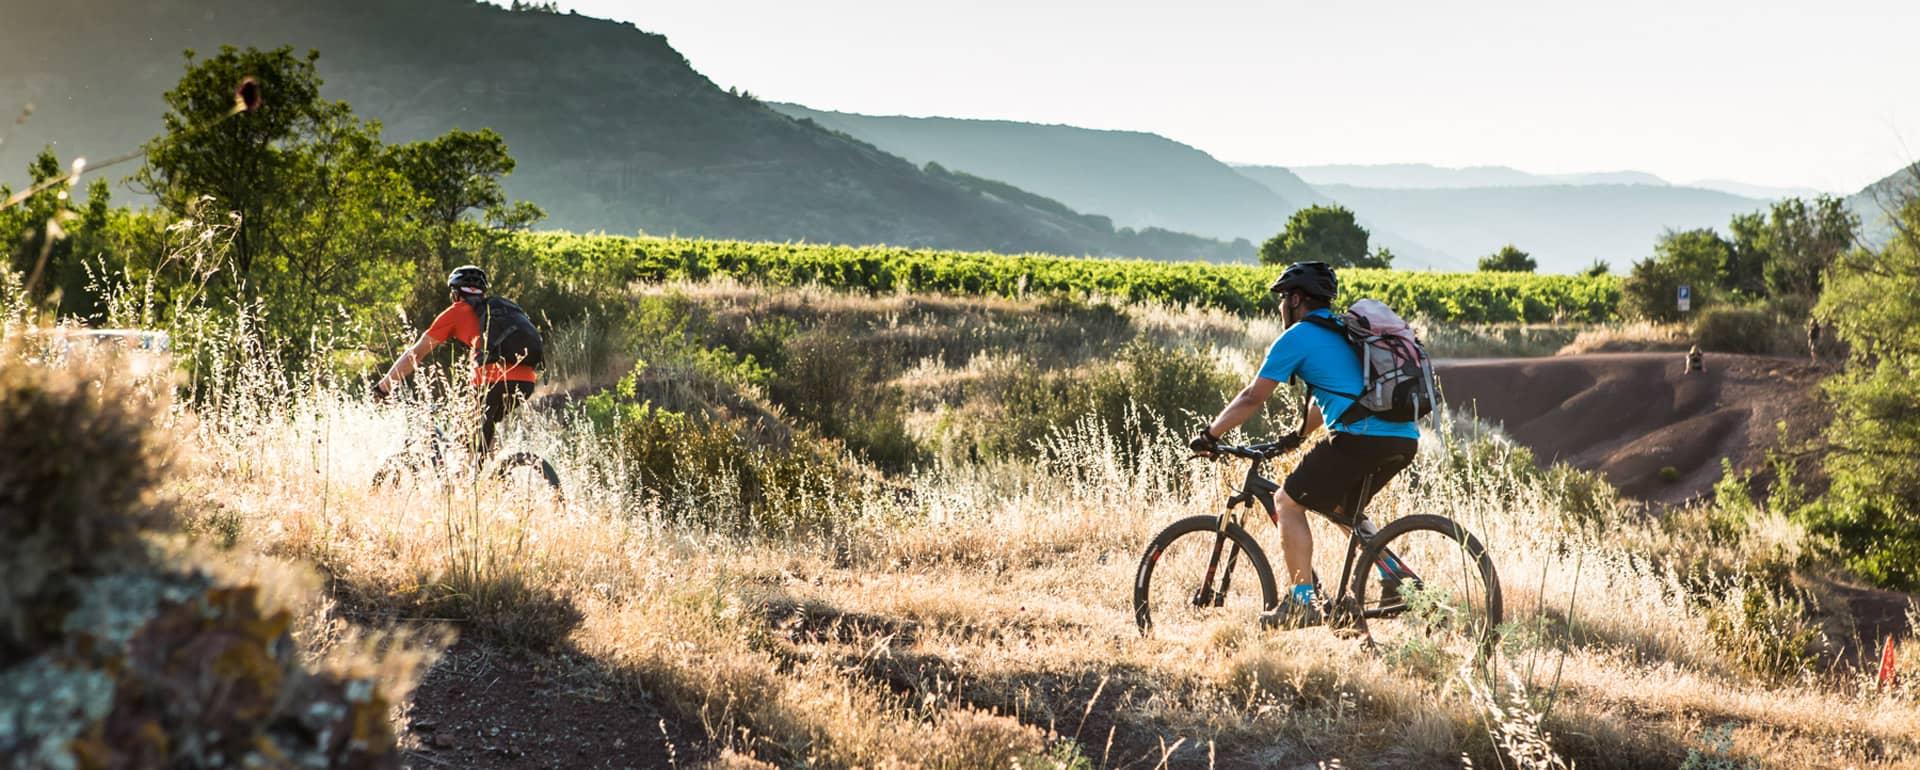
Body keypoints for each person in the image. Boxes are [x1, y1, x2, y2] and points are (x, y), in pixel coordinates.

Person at [1188, 261, 1422, 627]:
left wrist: (1210, 435)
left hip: (1359, 437)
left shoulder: (1297, 336)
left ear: (1296, 299)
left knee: (1286, 501)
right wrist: (1295, 439)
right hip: (1403, 436)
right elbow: (1330, 396)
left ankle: (1302, 603)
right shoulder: (1345, 330)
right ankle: (1394, 576)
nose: (1281, 307)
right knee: (1346, 510)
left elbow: (1252, 396)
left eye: (1283, 299)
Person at [372, 265, 538, 453]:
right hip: (526, 382)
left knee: (464, 440)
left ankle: (467, 478)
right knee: (481, 427)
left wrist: (383, 388)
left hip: (491, 381)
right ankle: (500, 475)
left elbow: (415, 353)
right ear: (483, 293)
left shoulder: (457, 311)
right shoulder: (500, 311)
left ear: (455, 293)